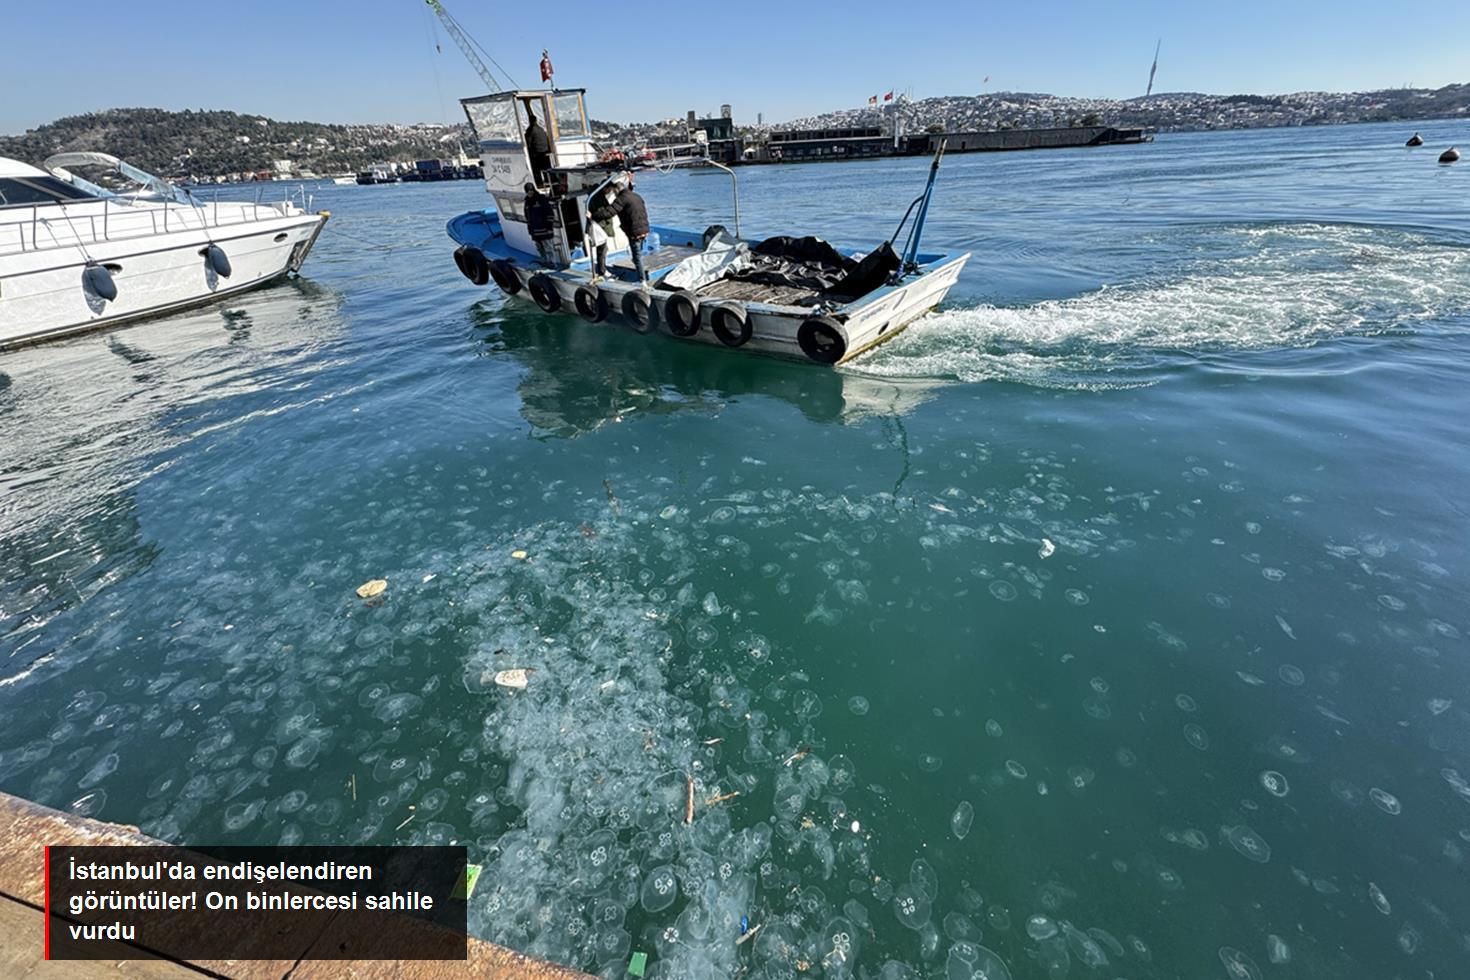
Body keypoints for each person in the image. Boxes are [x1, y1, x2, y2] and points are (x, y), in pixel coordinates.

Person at [609, 172, 651, 283]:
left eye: (614, 192)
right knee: (638, 254)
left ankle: (642, 281)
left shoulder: (622, 199)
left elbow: (610, 212)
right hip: (644, 230)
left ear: (617, 191)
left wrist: (593, 215)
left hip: (634, 233)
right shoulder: (636, 196)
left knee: (637, 258)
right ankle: (640, 270)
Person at [587, 182, 619, 281]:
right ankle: (602, 271)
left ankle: (602, 269)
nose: (609, 192)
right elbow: (602, 213)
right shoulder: (597, 198)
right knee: (602, 250)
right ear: (605, 188)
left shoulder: (598, 196)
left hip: (602, 227)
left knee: (603, 250)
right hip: (600, 228)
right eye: (609, 190)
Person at [524, 182, 557, 266]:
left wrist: (549, 227)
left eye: (531, 190)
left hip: (545, 230)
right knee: (540, 248)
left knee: (548, 247)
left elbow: (550, 213)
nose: (530, 192)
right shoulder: (527, 202)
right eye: (528, 191)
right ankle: (545, 261)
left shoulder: (541, 199)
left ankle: (552, 262)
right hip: (535, 231)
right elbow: (527, 217)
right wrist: (530, 229)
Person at [525, 108, 552, 186]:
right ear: (536, 121)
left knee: (535, 169)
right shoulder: (541, 129)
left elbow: (528, 143)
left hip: (537, 154)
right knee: (545, 168)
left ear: (530, 121)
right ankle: (547, 182)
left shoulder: (531, 130)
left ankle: (539, 183)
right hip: (545, 152)